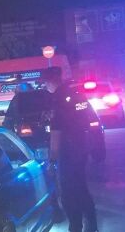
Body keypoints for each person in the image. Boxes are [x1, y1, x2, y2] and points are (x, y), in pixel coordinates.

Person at [44, 68, 98, 232]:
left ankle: (75, 226)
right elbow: (89, 118)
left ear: (50, 81)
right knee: (81, 187)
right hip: (81, 148)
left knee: (68, 194)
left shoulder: (58, 99)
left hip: (67, 152)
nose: (45, 86)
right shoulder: (77, 94)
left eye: (45, 83)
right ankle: (91, 224)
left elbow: (56, 133)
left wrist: (52, 160)